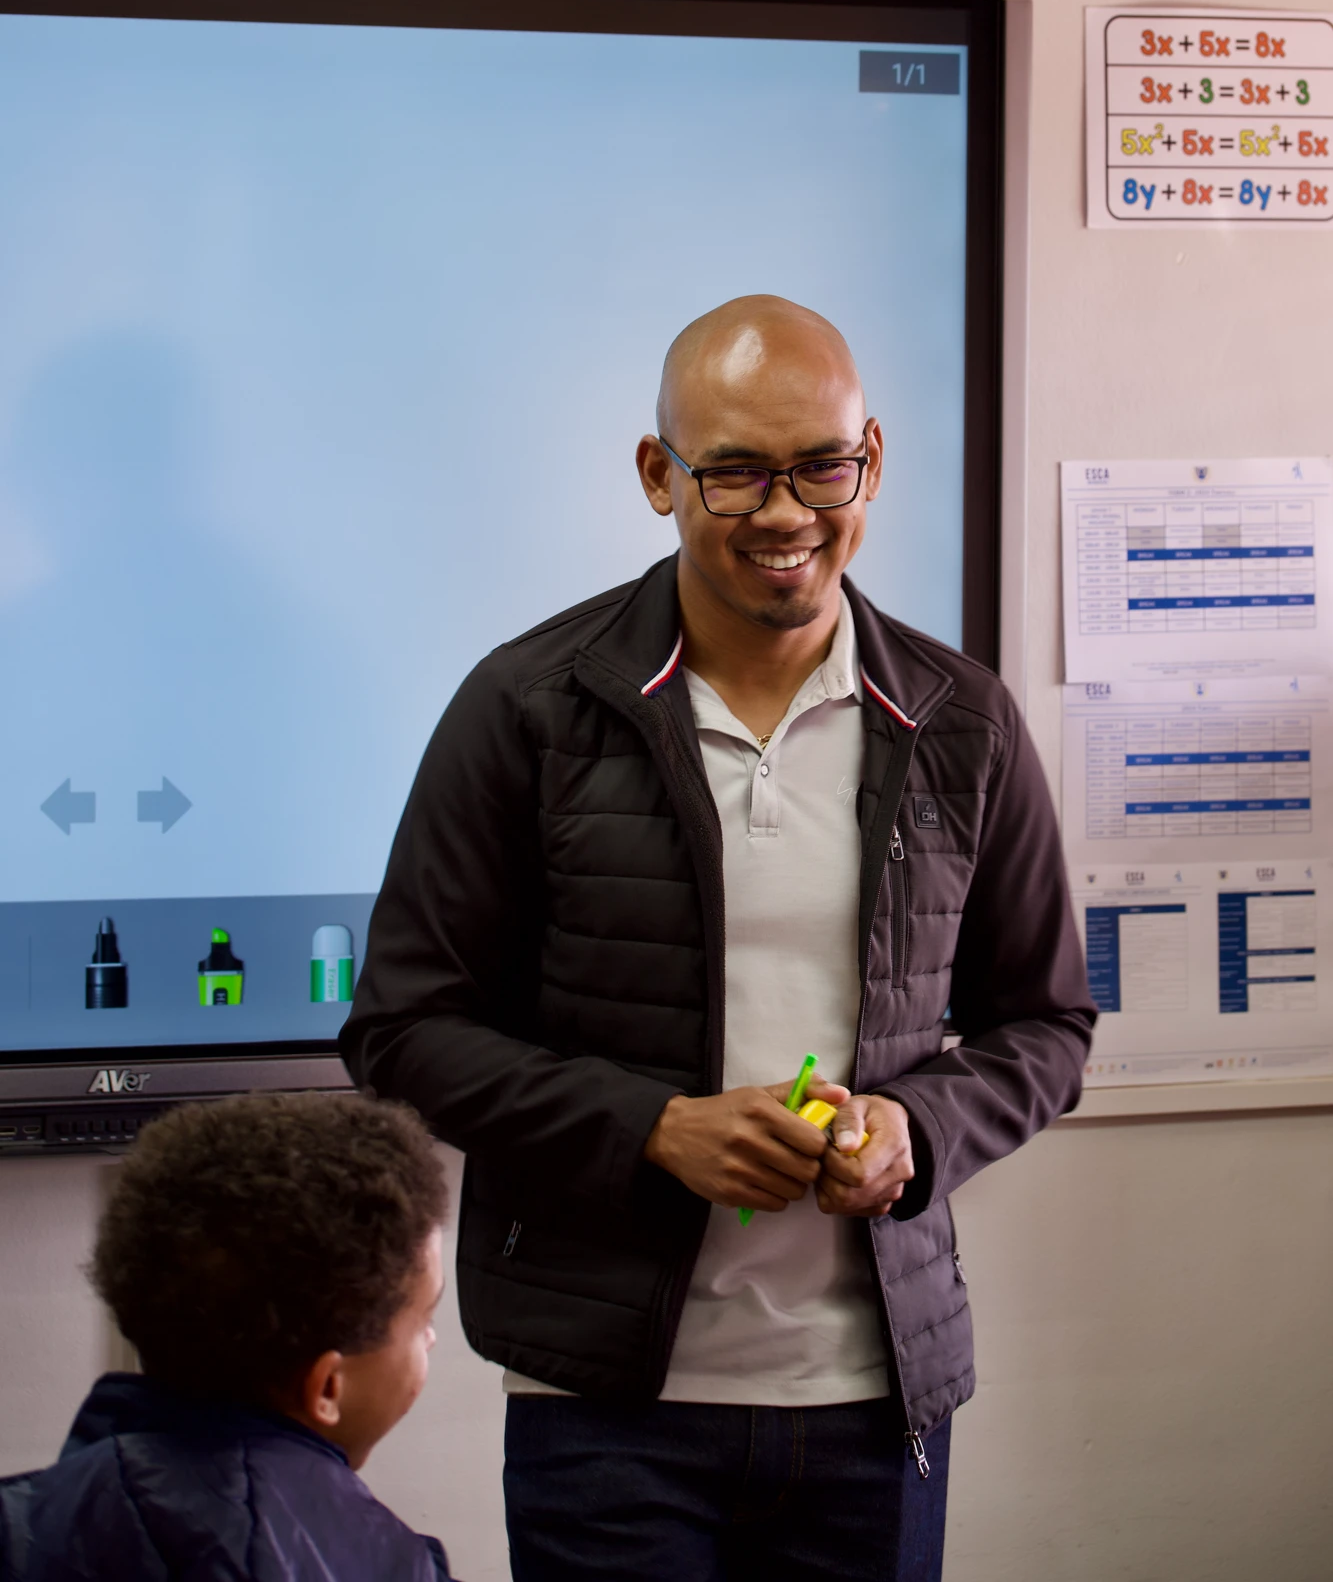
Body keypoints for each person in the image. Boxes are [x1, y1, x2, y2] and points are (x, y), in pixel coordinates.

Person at [340, 294, 1095, 1581]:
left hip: (876, 1401)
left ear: (871, 459)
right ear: (658, 473)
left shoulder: (958, 720)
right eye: (737, 469)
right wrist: (653, 1126)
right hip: (609, 1414)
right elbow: (402, 1029)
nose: (786, 511)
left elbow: (1047, 1025)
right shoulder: (528, 707)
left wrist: (918, 1128)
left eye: (821, 465)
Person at [0, 1092, 455, 1581]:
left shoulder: (20, 1522)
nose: (429, 1340)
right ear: (327, 1387)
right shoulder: (389, 1567)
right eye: (424, 1320)